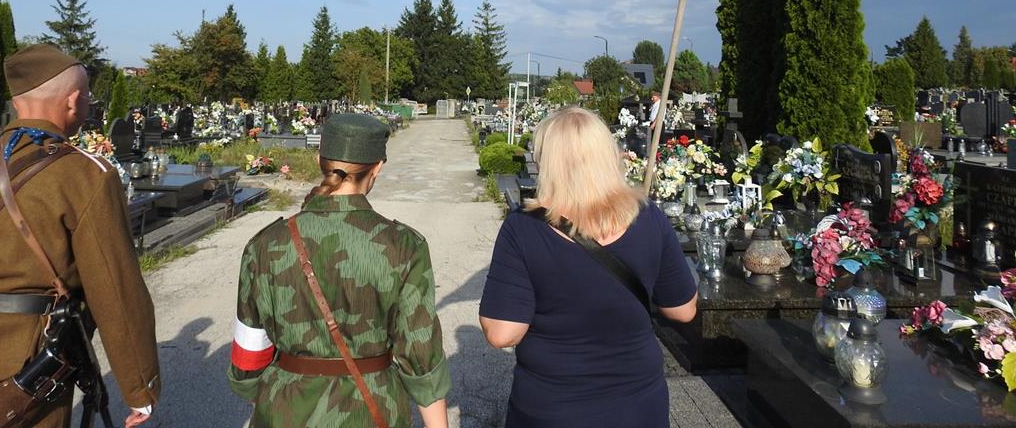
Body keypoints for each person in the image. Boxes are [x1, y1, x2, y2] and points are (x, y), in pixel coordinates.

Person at [479, 106, 697, 427]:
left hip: (553, 410)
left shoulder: (523, 228)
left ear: (546, 162)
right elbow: (683, 310)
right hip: (638, 407)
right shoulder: (649, 217)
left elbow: (502, 333)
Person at [228, 113, 451, 427]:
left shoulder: (265, 243)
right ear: (377, 167)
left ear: (319, 159)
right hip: (373, 408)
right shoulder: (404, 245)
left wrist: (271, 399)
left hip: (285, 408)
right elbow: (420, 354)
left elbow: (249, 352)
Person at [0, 44, 161, 428]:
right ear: (73, 102)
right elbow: (115, 287)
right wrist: (140, 387)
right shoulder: (84, 174)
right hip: (25, 365)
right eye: (87, 95)